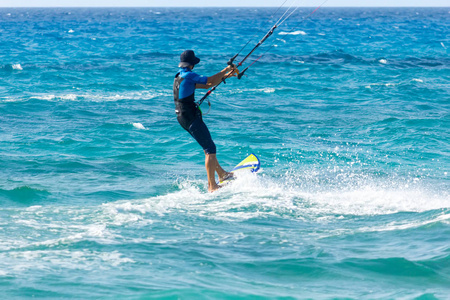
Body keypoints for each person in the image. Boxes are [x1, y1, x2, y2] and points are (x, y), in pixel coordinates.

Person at [173, 50, 237, 192]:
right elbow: (210, 80)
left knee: (207, 146)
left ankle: (222, 174)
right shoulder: (189, 75)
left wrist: (227, 75)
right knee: (210, 149)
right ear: (192, 64)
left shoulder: (179, 76)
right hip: (190, 117)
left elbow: (208, 85)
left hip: (182, 117)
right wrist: (226, 69)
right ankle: (212, 186)